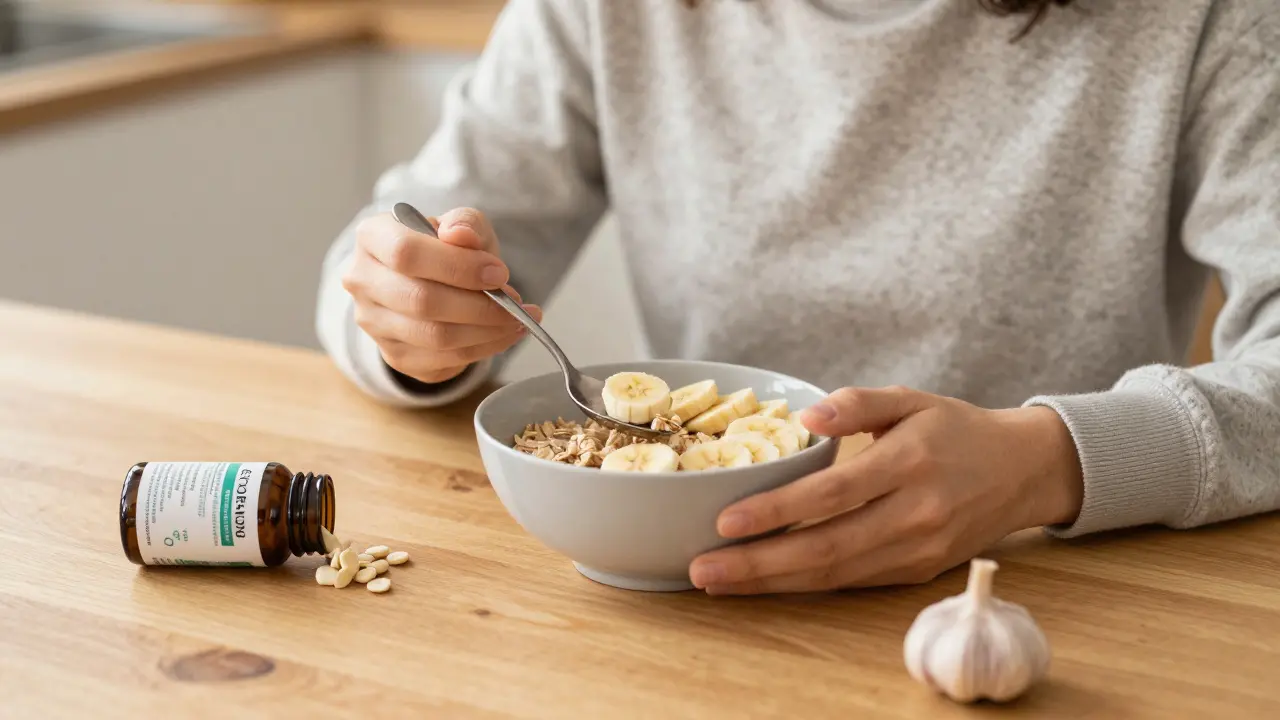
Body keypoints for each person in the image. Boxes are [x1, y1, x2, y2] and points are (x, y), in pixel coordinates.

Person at [316, 0, 1280, 595]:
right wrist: (407, 317)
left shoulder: (1204, 16)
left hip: (1058, 592)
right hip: (685, 603)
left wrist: (1049, 464)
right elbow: (392, 248)